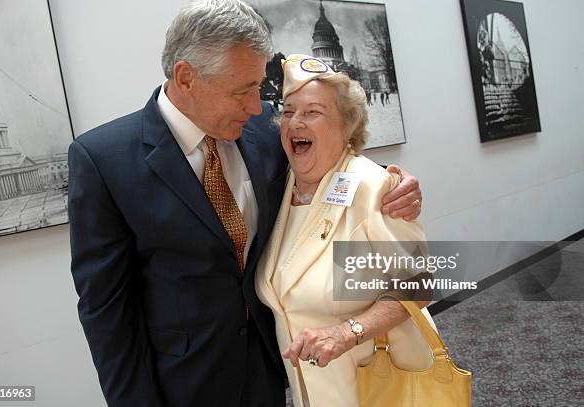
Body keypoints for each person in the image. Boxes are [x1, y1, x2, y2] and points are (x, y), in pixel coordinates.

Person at [67, 1, 423, 406]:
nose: (258, 106)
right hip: (185, 383)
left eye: (258, 86)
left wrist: (386, 181)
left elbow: (326, 156)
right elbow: (106, 311)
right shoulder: (104, 160)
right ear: (186, 78)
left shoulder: (261, 131)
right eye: (243, 91)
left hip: (274, 371)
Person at [255, 54, 437, 407]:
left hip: (384, 388)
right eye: (289, 111)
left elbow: (420, 282)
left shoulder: (373, 188)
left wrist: (347, 332)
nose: (295, 122)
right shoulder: (279, 188)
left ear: (347, 125)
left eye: (312, 112)